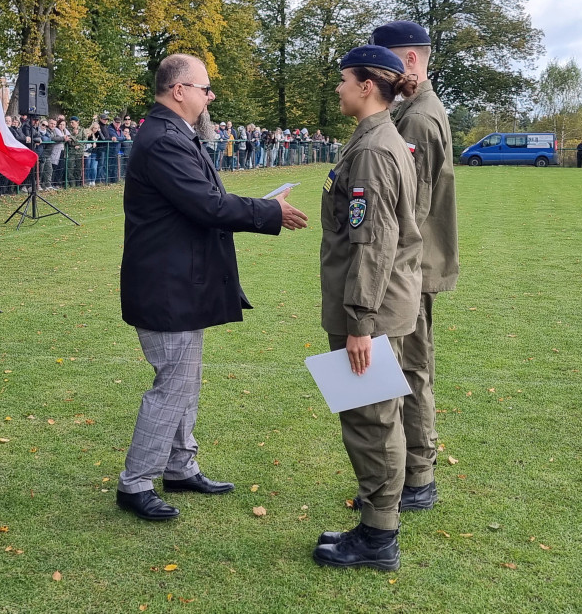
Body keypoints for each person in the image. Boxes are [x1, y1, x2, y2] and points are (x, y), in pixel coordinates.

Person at [116, 53, 308, 522]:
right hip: (168, 285)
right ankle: (135, 482)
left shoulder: (176, 134)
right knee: (173, 385)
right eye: (205, 87)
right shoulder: (164, 139)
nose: (210, 96)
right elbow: (207, 205)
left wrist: (257, 207)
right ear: (178, 90)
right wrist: (269, 213)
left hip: (182, 280)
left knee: (185, 382)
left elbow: (208, 201)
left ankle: (180, 465)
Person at [312, 45, 422, 571]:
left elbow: (373, 243)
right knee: (373, 418)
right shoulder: (376, 140)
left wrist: (359, 323)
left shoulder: (375, 151)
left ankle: (379, 539)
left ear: (366, 86)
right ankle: (376, 524)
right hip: (376, 308)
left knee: (371, 422)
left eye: (343, 80)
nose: (337, 88)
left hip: (369, 313)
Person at [366, 21, 459, 516]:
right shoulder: (414, 111)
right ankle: (411, 475)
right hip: (410, 268)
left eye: (383, 61)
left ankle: (416, 477)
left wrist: (378, 276)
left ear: (409, 62)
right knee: (405, 368)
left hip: (408, 270)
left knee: (407, 369)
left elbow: (410, 212)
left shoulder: (418, 120)